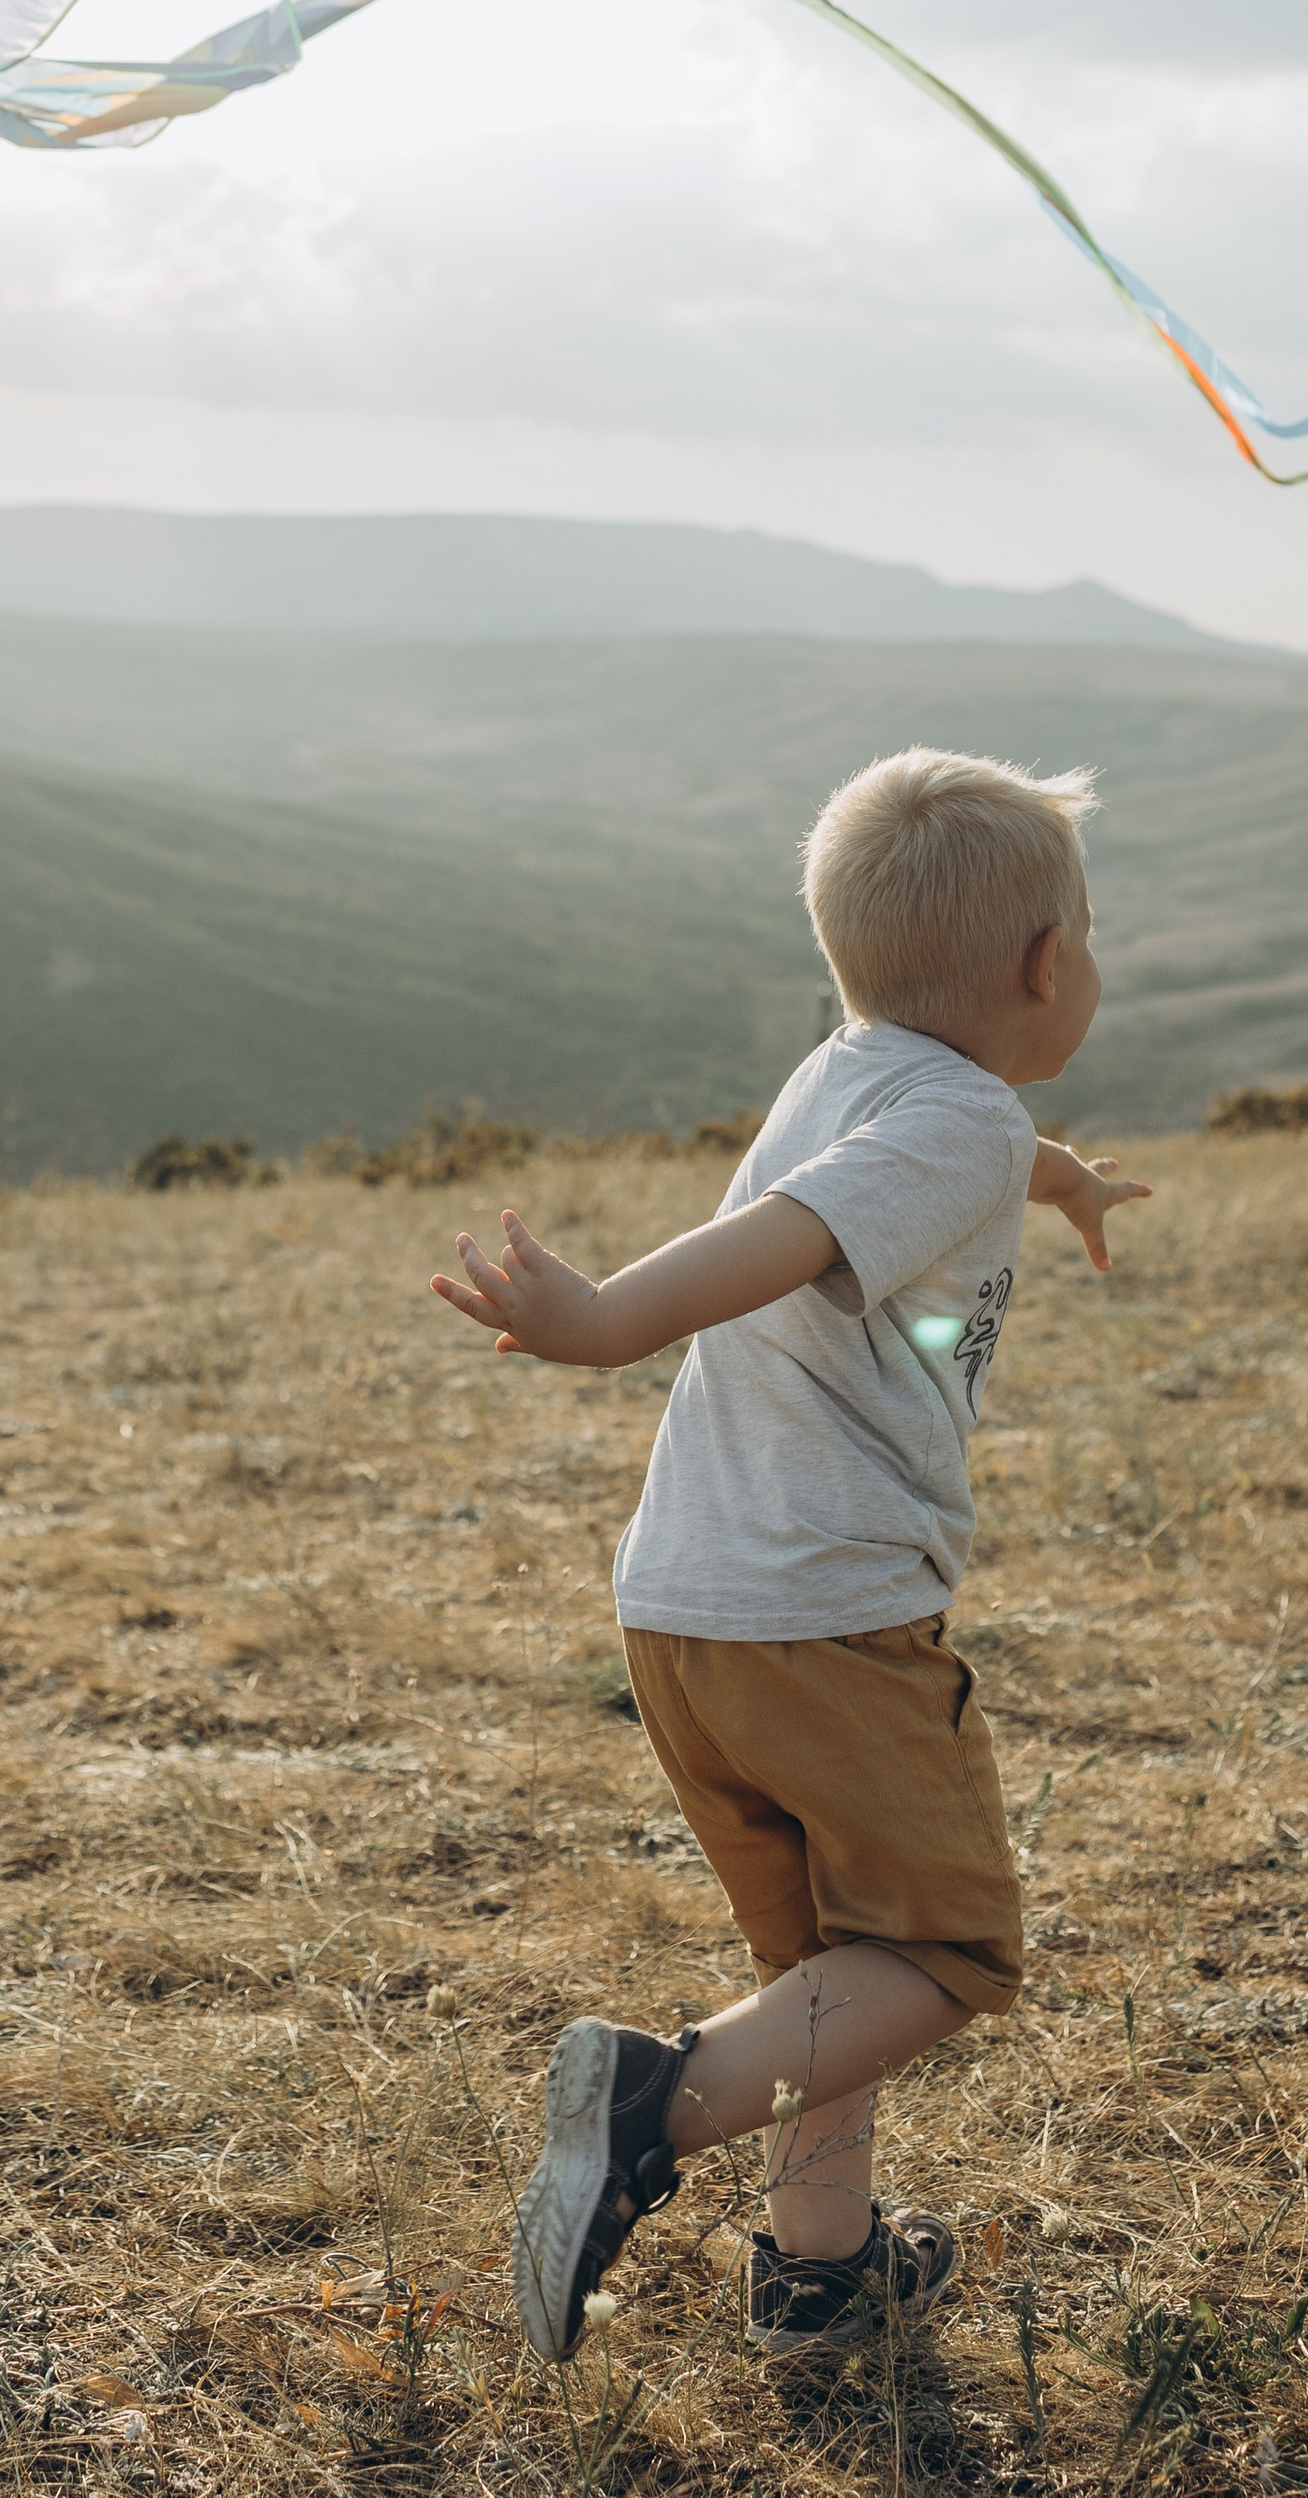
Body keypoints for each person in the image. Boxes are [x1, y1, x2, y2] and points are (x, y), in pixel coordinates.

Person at [430, 746, 1147, 2367]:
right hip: (826, 1616)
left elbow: (890, 1178)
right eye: (1088, 933)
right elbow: (793, 1238)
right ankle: (646, 2111)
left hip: (691, 1607)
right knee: (944, 1956)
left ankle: (822, 2269)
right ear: (1046, 965)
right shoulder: (958, 1117)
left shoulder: (859, 1077)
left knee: (834, 1965)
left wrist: (1064, 1178)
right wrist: (606, 1320)